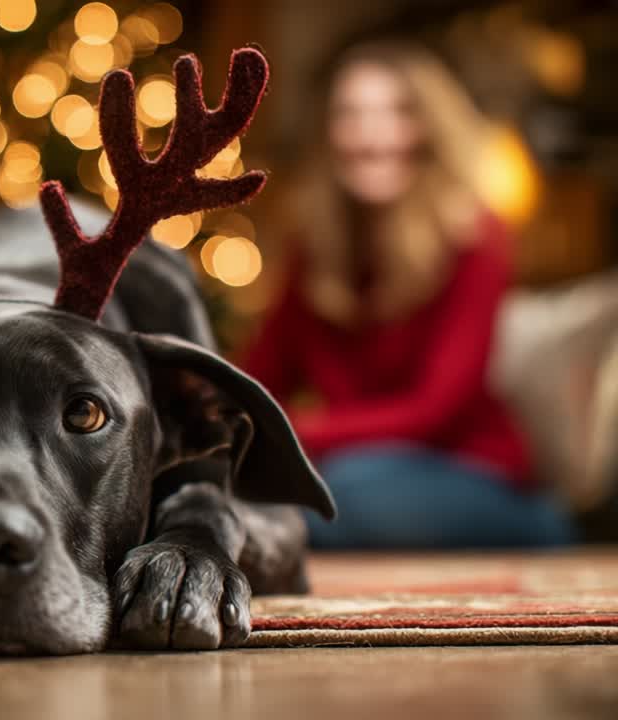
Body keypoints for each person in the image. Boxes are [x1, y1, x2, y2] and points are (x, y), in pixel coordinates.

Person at [242, 42, 574, 549]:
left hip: (471, 474)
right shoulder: (314, 246)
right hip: (353, 466)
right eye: (351, 115)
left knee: (338, 492)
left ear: (428, 129)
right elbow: (260, 375)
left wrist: (293, 435)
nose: (370, 136)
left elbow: (433, 410)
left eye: (396, 113)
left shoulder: (476, 239)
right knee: (272, 490)